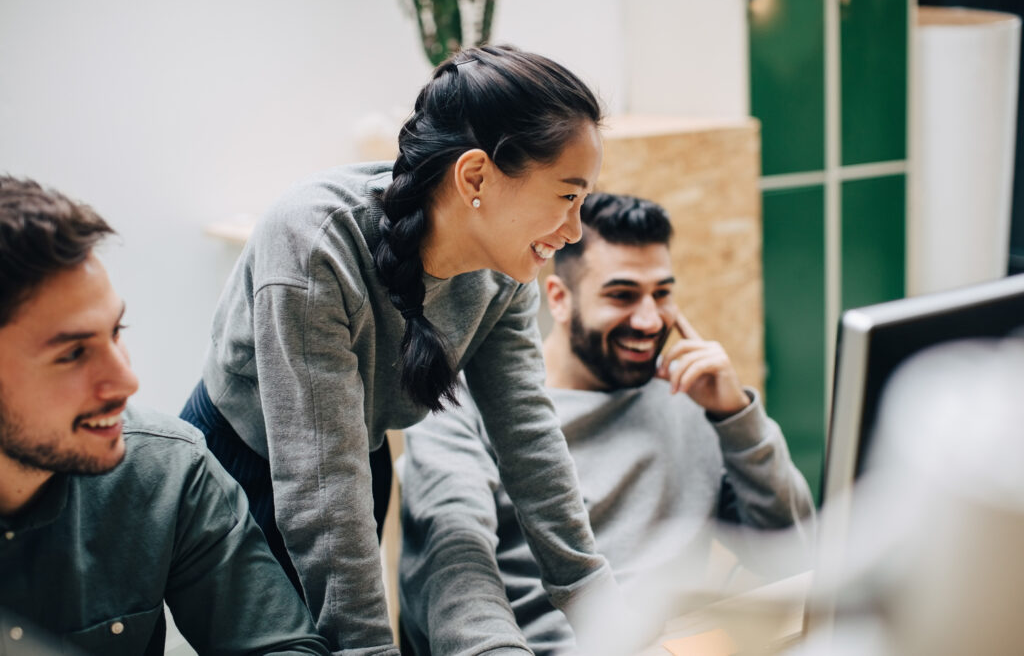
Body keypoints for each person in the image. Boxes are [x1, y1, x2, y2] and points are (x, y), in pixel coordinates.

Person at [180, 45, 616, 653]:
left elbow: (528, 438)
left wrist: (608, 614)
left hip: (357, 452)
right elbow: (319, 489)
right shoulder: (314, 245)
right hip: (242, 468)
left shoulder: (508, 268)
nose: (575, 231)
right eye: (568, 196)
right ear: (475, 178)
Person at [399, 193, 815, 654]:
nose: (648, 319)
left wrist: (735, 416)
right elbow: (450, 585)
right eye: (621, 295)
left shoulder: (690, 399)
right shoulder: (460, 407)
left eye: (662, 293)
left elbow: (795, 556)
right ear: (558, 299)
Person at [0, 177, 329, 656]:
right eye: (72, 354)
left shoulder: (168, 468)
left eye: (115, 332)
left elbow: (282, 648)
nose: (126, 381)